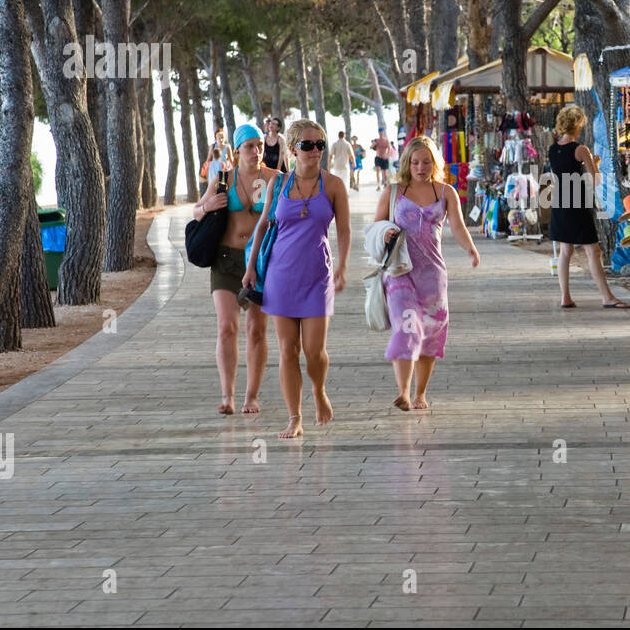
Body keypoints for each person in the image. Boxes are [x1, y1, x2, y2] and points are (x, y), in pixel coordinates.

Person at [243, 119, 350, 439]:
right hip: (279, 275)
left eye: (320, 144)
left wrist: (343, 268)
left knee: (314, 351)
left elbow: (343, 230)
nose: (316, 150)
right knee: (288, 349)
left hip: (318, 275)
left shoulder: (333, 186)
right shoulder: (273, 183)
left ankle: (319, 391)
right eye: (308, 145)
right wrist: (250, 268)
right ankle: (294, 418)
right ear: (292, 149)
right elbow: (262, 225)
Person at [376, 135, 479, 411]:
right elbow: (375, 226)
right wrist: (385, 231)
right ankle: (403, 392)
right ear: (407, 163)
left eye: (426, 162)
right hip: (399, 271)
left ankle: (420, 393)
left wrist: (470, 248)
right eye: (415, 162)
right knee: (406, 325)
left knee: (430, 334)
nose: (420, 167)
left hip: (432, 274)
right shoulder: (393, 192)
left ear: (435, 163)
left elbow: (457, 225)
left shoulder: (446, 192)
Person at [192, 124, 278, 415]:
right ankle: (227, 395)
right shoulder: (223, 178)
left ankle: (251, 396)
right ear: (238, 149)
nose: (256, 151)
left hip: (263, 261)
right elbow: (196, 211)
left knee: (256, 330)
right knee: (227, 326)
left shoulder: (276, 179)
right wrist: (207, 207)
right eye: (250, 146)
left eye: (260, 146)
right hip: (226, 260)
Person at [547, 104, 630, 309]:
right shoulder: (581, 149)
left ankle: (565, 296)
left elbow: (562, 173)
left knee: (566, 250)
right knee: (593, 250)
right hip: (578, 204)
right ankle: (607, 297)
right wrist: (596, 164)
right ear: (577, 126)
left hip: (560, 202)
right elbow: (596, 180)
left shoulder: (552, 149)